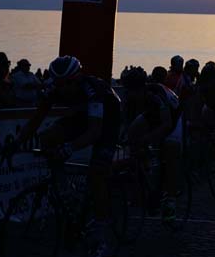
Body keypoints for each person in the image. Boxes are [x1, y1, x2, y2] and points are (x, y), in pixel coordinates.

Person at [10, 56, 121, 257]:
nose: (63, 89)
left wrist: (69, 148)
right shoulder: (54, 89)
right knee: (47, 137)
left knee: (96, 175)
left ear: (77, 78)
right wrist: (16, 143)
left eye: (68, 83)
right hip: (82, 115)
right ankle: (65, 190)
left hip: (108, 120)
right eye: (59, 83)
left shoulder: (92, 90)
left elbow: (95, 132)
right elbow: (35, 121)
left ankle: (101, 234)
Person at [126, 78, 182, 223]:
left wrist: (148, 138)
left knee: (170, 148)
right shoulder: (133, 97)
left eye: (134, 93)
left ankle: (171, 201)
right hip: (154, 113)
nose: (132, 96)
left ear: (142, 90)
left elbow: (167, 124)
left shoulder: (155, 95)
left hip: (174, 117)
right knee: (132, 132)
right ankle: (145, 171)